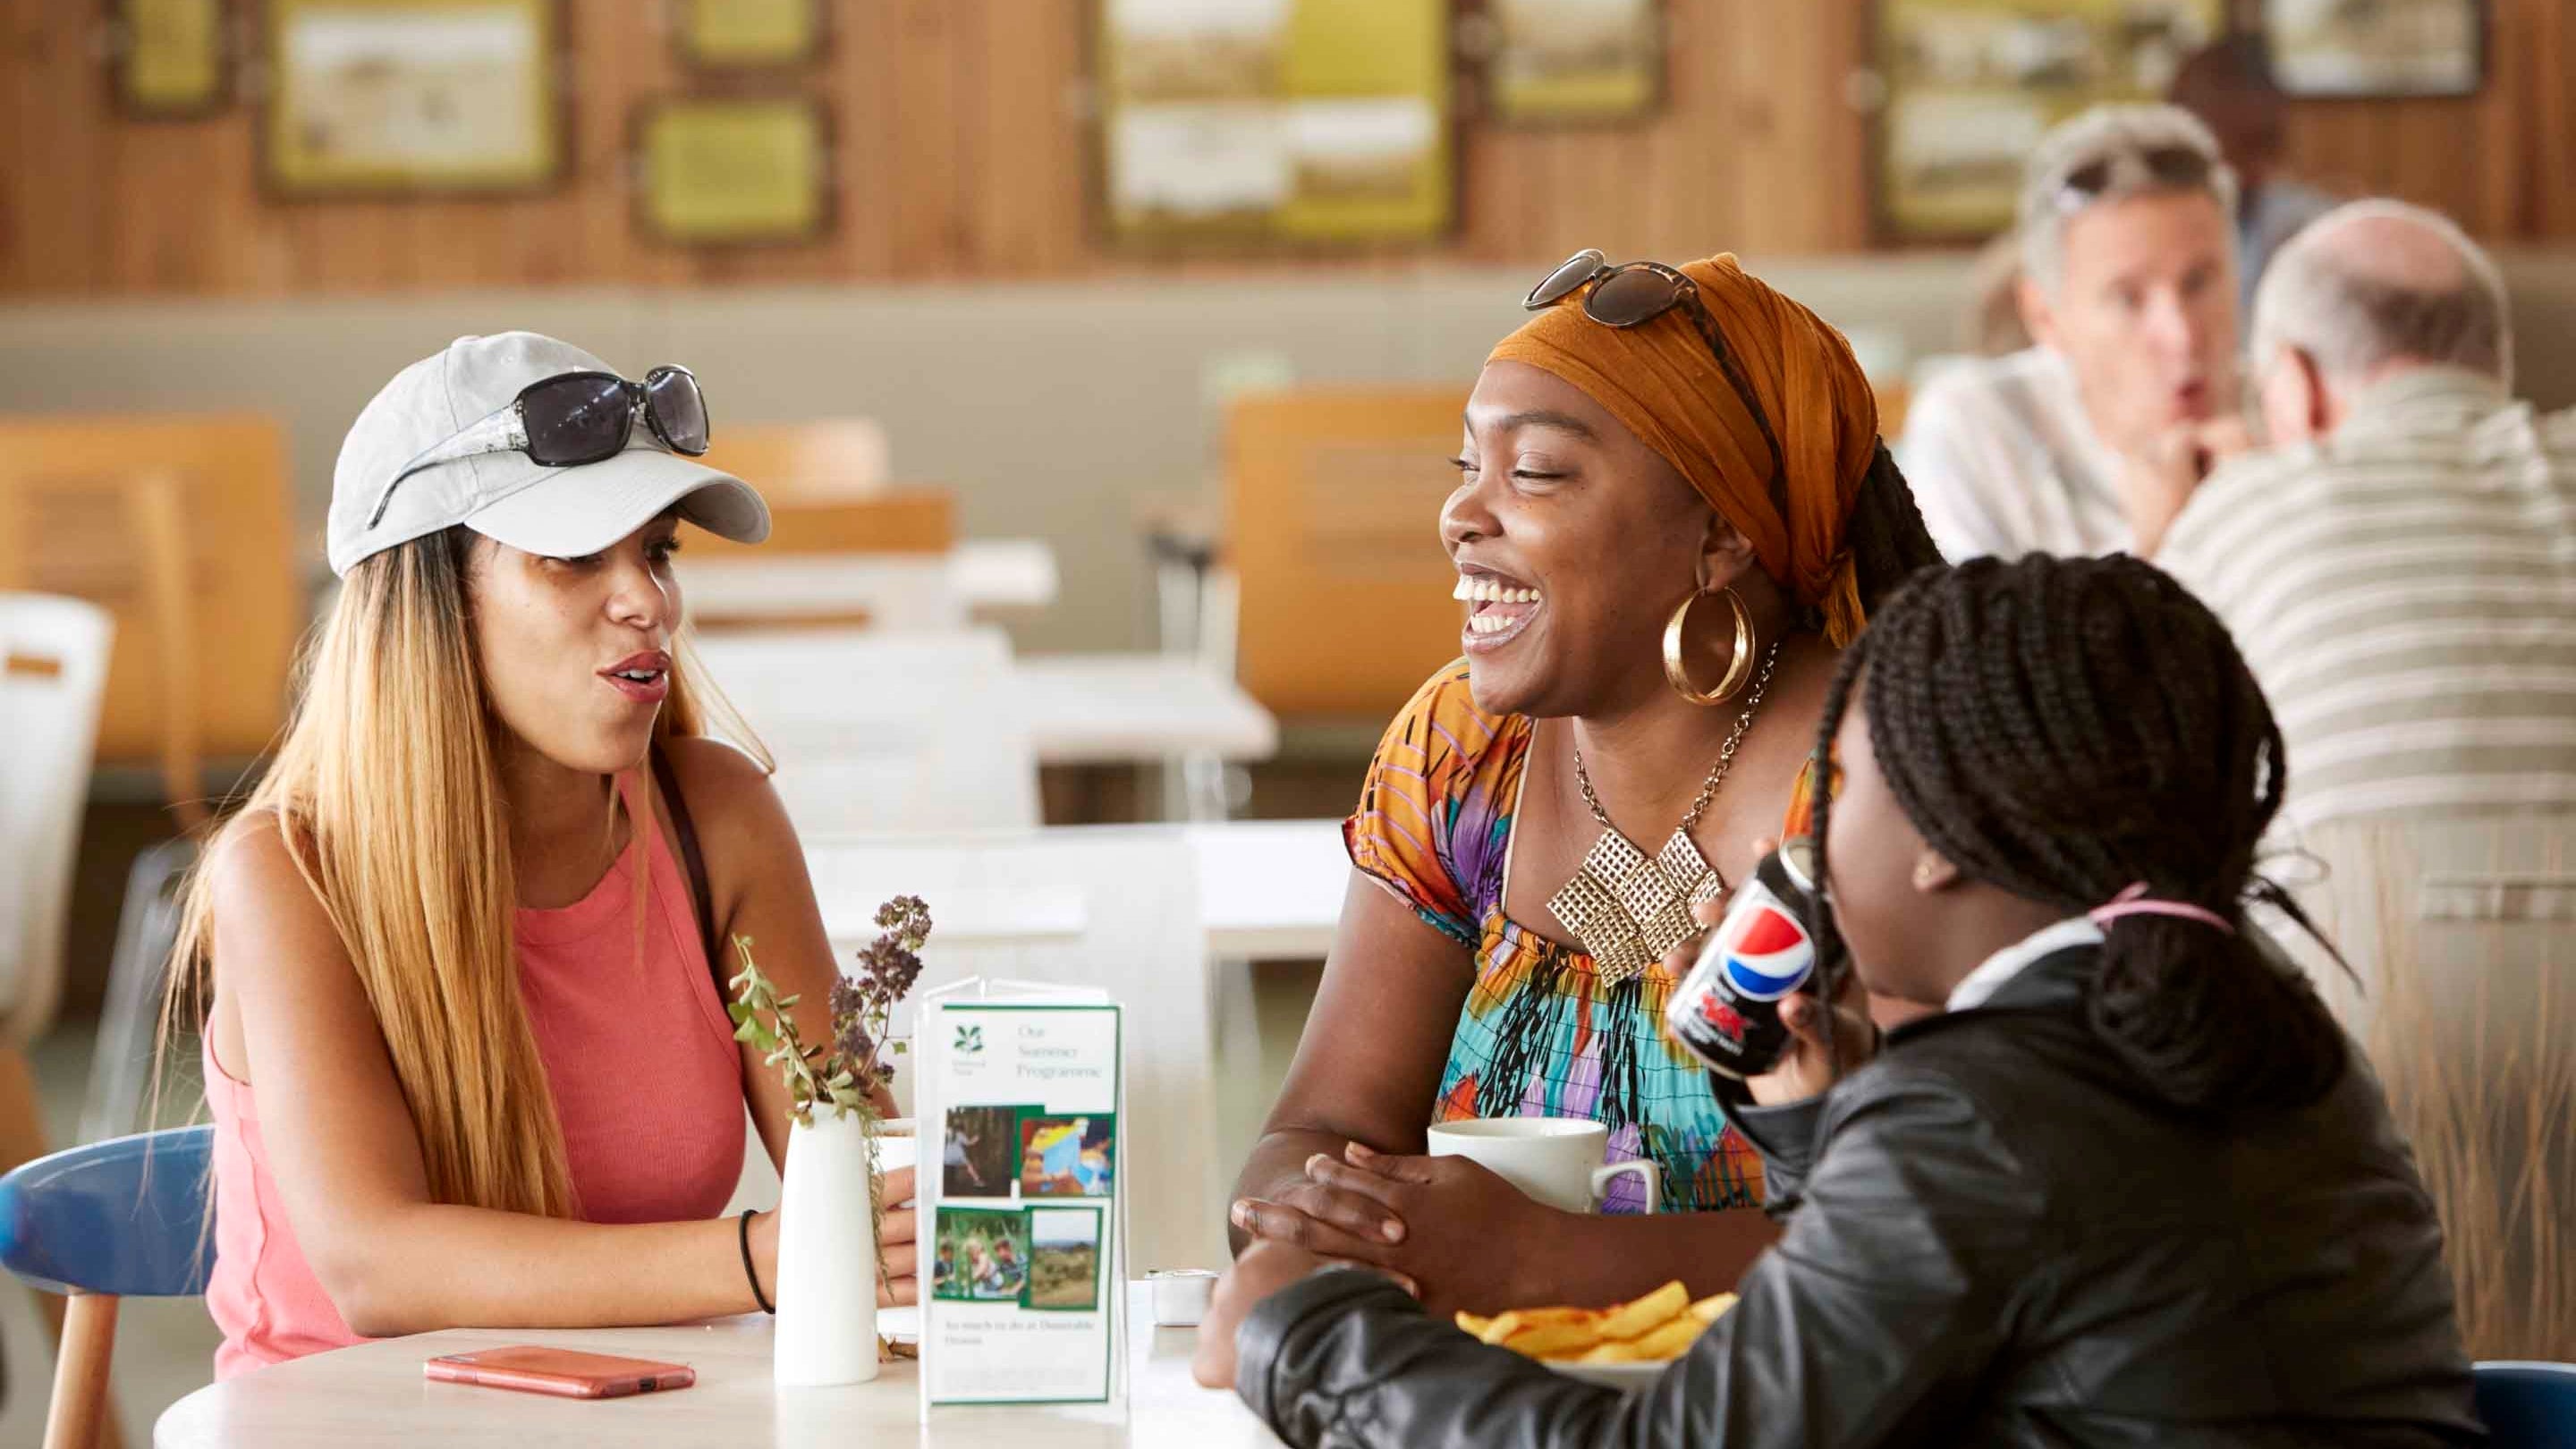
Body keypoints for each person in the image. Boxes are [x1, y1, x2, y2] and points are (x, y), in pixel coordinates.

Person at [1194, 555, 2484, 1448]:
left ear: (1936, 841)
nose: (1810, 837)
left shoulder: (1984, 1117)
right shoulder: (2252, 1027)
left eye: (1844, 786)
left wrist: (1303, 1332)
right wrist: (1827, 1133)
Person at [161, 333, 918, 1377]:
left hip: (645, 1420)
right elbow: (379, 1270)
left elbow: (873, 1195)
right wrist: (762, 1259)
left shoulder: (720, 821)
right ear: (429, 601)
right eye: (573, 556)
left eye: (657, 550)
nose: (649, 601)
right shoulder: (290, 873)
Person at [1228, 250, 1943, 1314]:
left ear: (1722, 532)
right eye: (1465, 466)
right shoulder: (1465, 754)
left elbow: (1943, 1233)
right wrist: (1321, 1217)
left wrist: (1542, 1259)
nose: (1461, 516)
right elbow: (1317, 1130)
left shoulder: (1884, 786)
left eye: (1536, 473)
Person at [2154, 199, 2576, 1359]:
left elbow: (2127, 806)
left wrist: (2163, 530)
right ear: (2491, 361)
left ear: (2289, 381)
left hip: (2371, 1040)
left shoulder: (2244, 513)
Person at [1898, 105, 2245, 561]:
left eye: (2198, 282)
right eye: (2128, 299)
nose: (2182, 335)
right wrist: (2157, 548)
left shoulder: (2301, 410)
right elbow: (1963, 633)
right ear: (2045, 318)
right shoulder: (1979, 428)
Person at [2168, 33, 2340, 310]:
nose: (2258, 167)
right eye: (2241, 147)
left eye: (2266, 144)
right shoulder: (2154, 226)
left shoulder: (2308, 221)